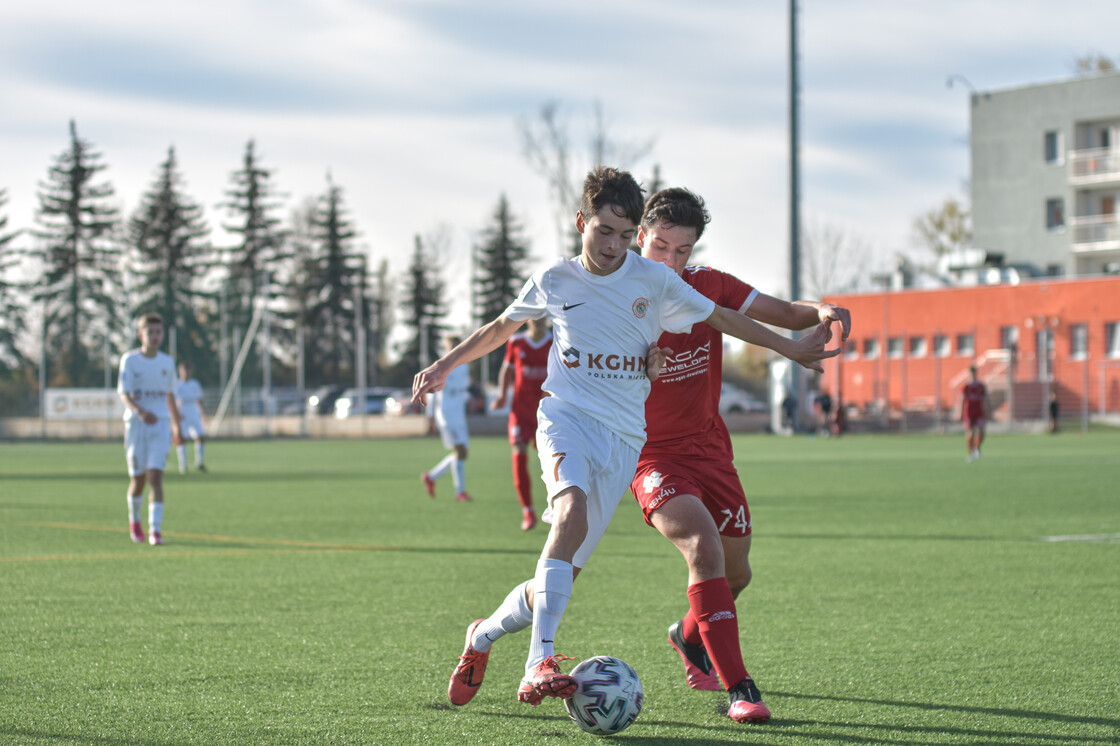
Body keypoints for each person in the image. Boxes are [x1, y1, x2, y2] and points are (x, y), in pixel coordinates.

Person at [412, 166, 839, 713]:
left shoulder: (660, 283)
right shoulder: (558, 278)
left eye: (623, 234)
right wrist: (444, 365)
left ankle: (483, 636)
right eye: (605, 232)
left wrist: (791, 344)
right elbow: (499, 327)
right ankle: (542, 660)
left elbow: (730, 318)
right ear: (584, 224)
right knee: (578, 519)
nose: (615, 246)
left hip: (630, 442)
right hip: (578, 425)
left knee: (566, 575)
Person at [632, 187, 852, 723]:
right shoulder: (618, 299)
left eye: (683, 251)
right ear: (640, 238)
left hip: (711, 450)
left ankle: (687, 636)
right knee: (702, 548)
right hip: (651, 456)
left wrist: (820, 308)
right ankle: (741, 690)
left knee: (737, 576)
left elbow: (783, 314)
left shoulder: (709, 287)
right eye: (661, 246)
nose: (671, 261)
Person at [117, 313, 182, 546]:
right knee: (139, 480)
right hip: (136, 425)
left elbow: (170, 396)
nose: (155, 336)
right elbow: (123, 393)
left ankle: (155, 530)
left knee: (155, 476)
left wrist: (177, 427)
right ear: (140, 335)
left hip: (161, 426)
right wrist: (140, 412)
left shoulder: (167, 362)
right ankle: (135, 519)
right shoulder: (130, 361)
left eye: (158, 332)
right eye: (150, 332)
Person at [491, 317, 553, 531]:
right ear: (527, 319)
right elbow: (506, 370)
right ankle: (527, 510)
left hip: (546, 413)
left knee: (550, 460)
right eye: (533, 316)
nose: (537, 320)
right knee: (518, 455)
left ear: (547, 319)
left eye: (541, 316)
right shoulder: (516, 342)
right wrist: (501, 395)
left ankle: (555, 506)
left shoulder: (556, 341)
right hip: (520, 412)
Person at [421, 334, 473, 502]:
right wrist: (430, 418)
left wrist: (469, 400)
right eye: (450, 345)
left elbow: (464, 387)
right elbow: (431, 393)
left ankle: (431, 477)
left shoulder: (463, 365)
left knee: (462, 453)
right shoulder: (440, 365)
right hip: (446, 413)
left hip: (459, 413)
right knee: (459, 451)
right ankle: (460, 492)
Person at [174, 362, 207, 473]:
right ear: (180, 371)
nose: (186, 372)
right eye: (184, 370)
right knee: (182, 439)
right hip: (182, 414)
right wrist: (176, 413)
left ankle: (199, 463)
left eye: (188, 370)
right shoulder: (176, 384)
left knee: (200, 437)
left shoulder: (195, 384)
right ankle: (183, 466)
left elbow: (199, 400)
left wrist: (203, 413)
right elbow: (172, 401)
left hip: (194, 413)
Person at [960, 365, 991, 461]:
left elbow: (986, 398)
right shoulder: (966, 386)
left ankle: (977, 448)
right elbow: (963, 400)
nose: (973, 374)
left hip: (979, 411)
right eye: (971, 373)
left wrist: (989, 409)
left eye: (974, 372)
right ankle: (972, 452)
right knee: (971, 432)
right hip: (969, 412)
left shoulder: (981, 386)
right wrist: (961, 412)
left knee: (982, 431)